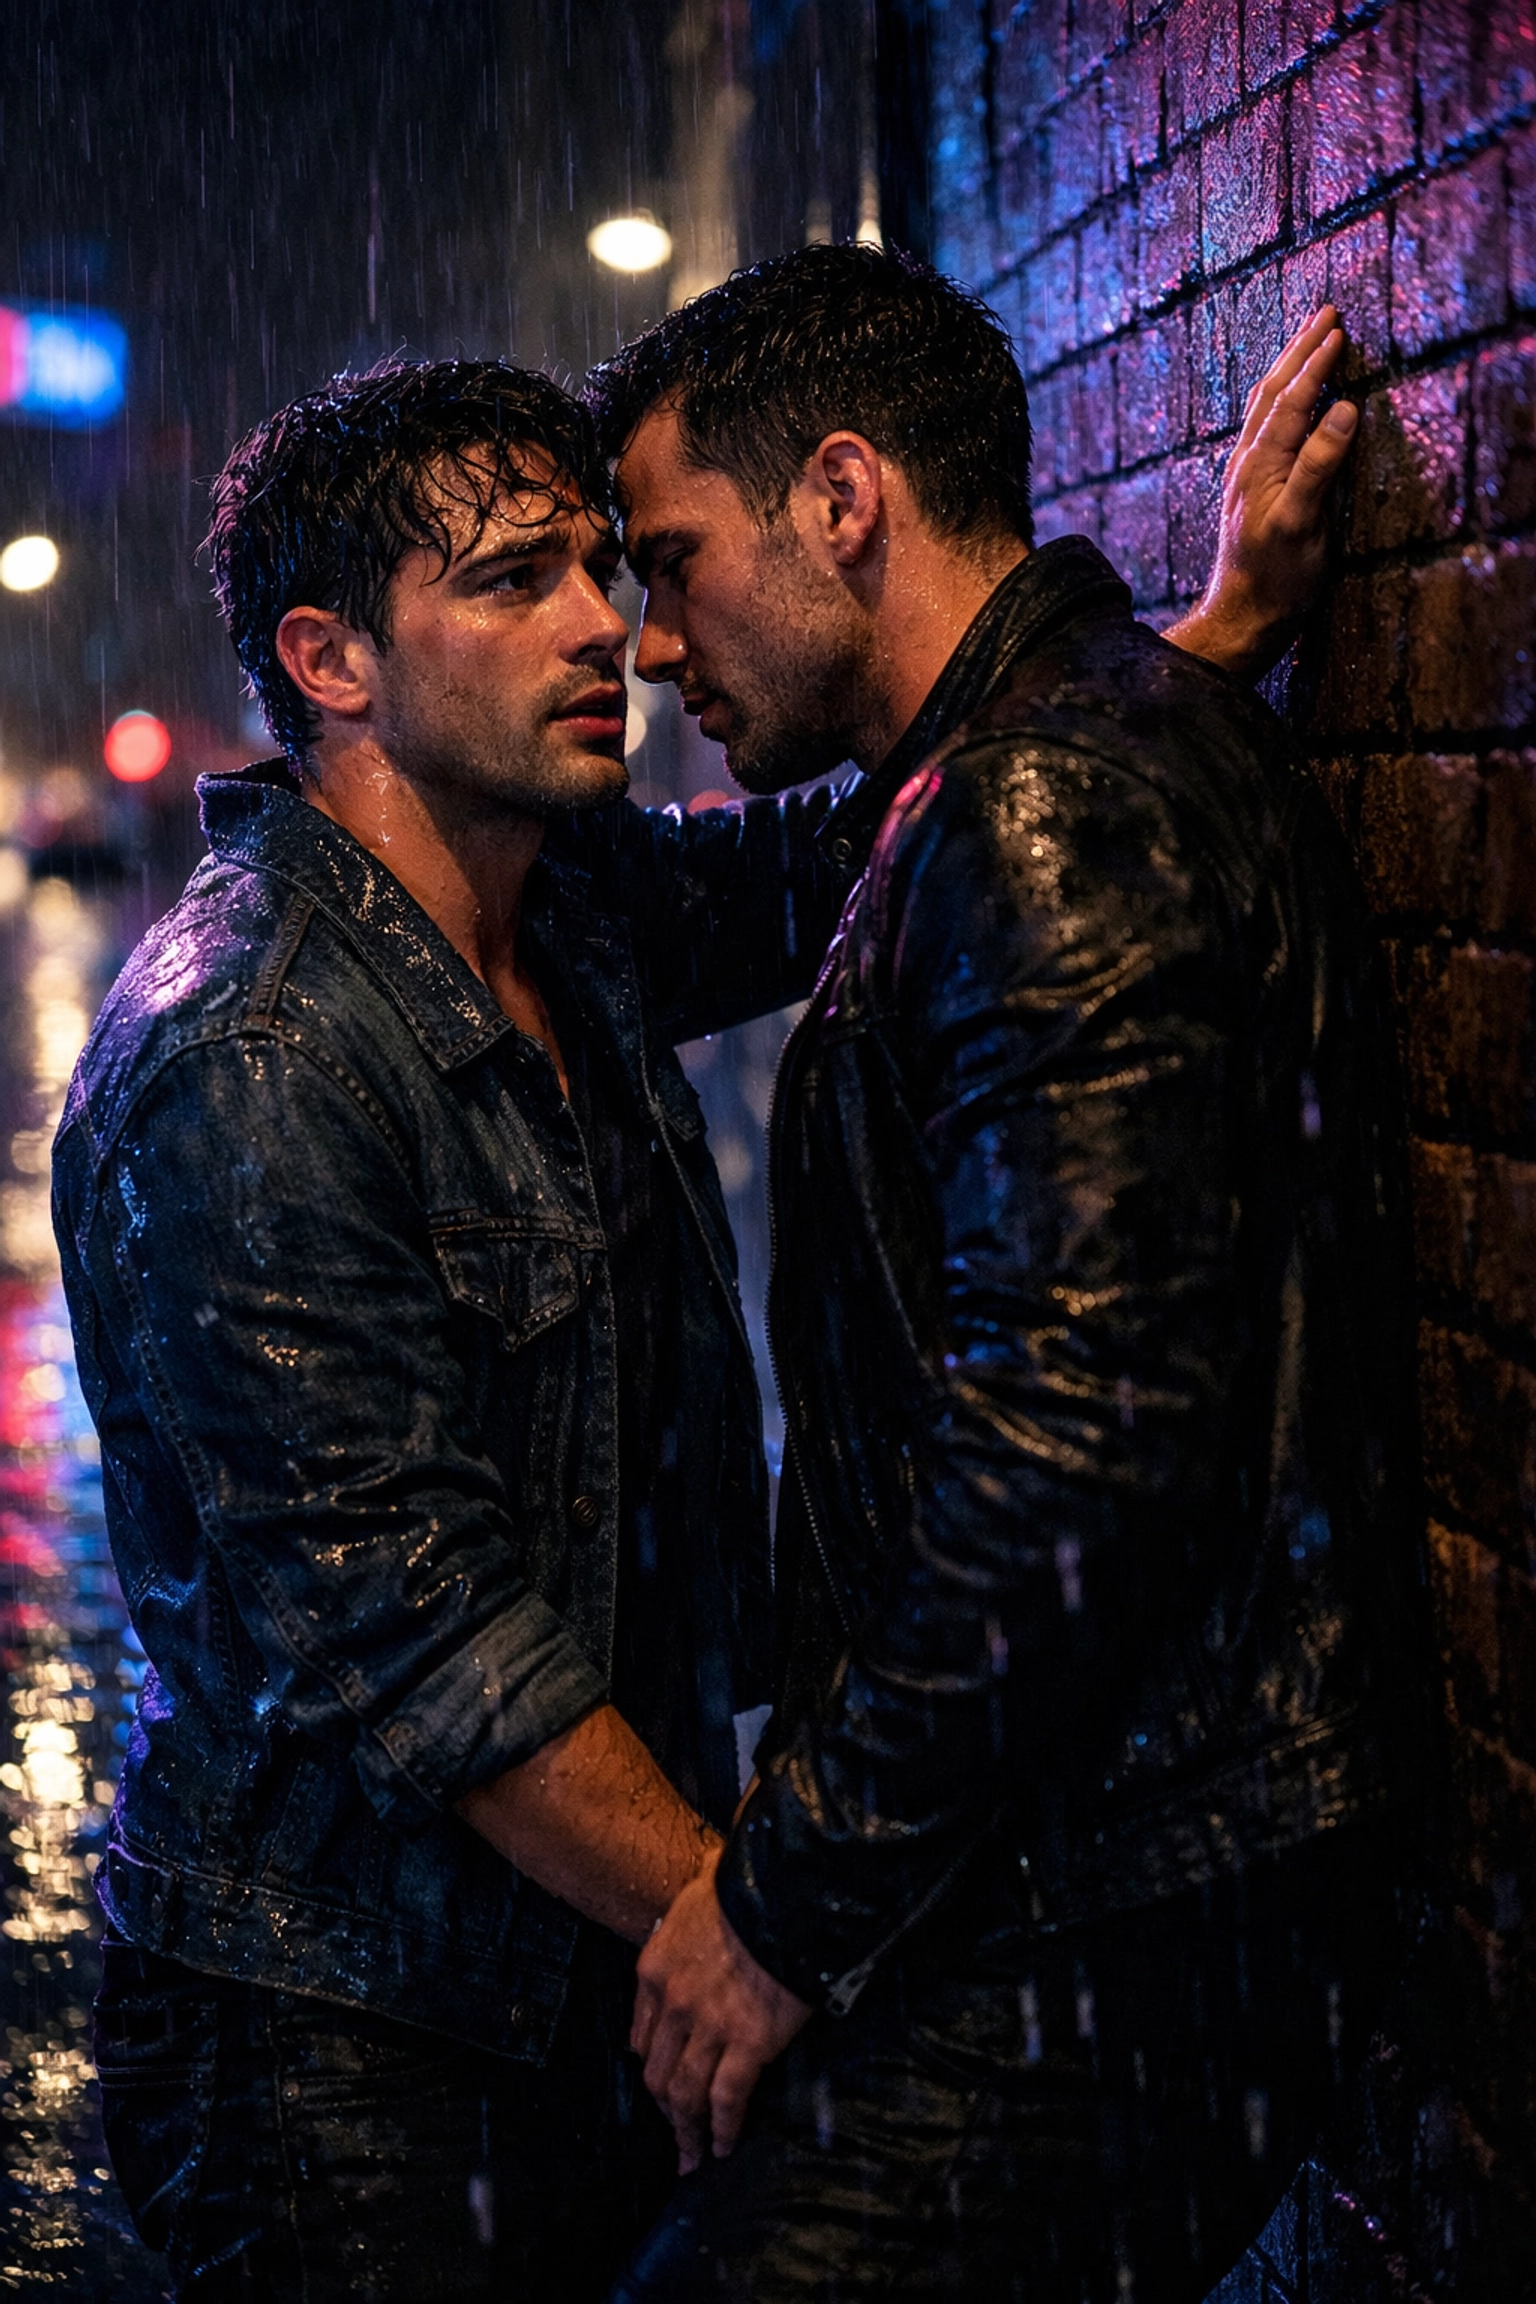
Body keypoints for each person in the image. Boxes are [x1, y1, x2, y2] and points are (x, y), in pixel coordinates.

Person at [55, 327, 1332, 2298]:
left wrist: (1206, 637)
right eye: (512, 580)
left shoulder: (565, 906)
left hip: (580, 1981)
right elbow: (427, 1645)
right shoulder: (253, 1052)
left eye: (607, 564)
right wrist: (776, 1928)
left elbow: (887, 832)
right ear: (330, 663)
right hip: (341, 2047)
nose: (607, 630)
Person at [580, 247, 1430, 2300]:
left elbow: (1069, 1453)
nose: (645, 634)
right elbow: (696, 917)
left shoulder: (1042, 801)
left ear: (844, 500)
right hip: (1108, 1861)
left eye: (672, 559)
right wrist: (1214, 637)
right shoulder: (1006, 773)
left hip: (1135, 1904)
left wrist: (783, 1906)